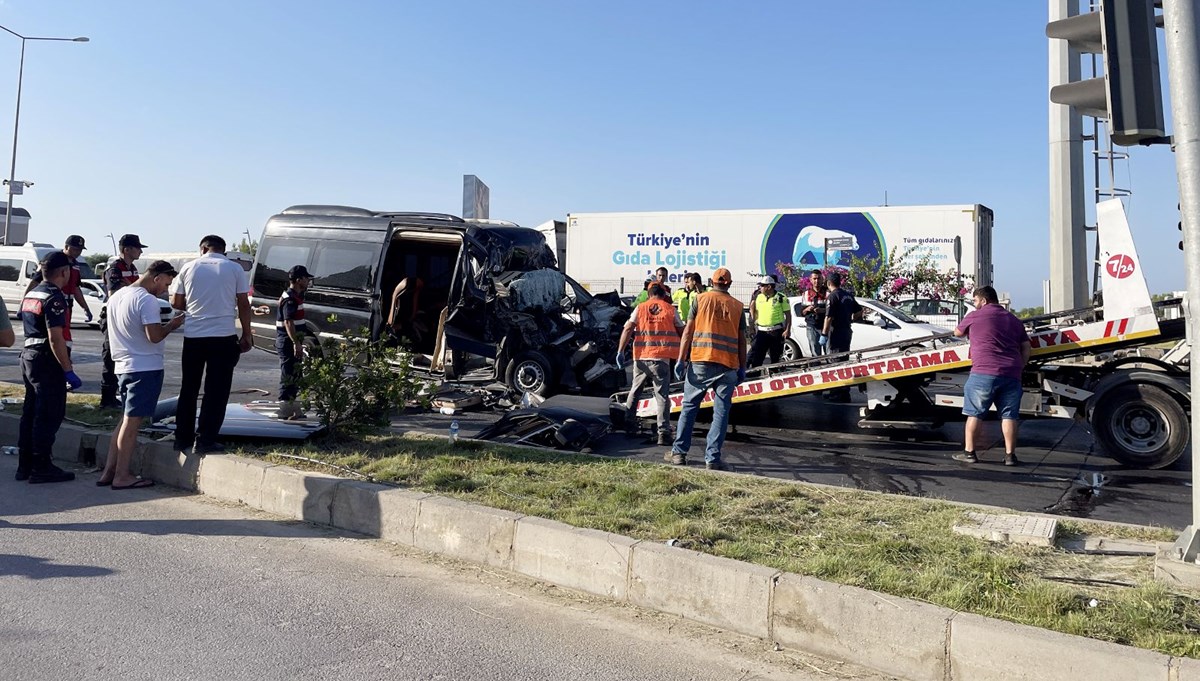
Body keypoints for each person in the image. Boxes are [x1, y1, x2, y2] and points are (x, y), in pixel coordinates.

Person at [98, 261, 184, 489]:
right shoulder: (147, 300)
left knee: (125, 419)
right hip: (144, 367)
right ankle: (122, 476)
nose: (165, 289)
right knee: (132, 423)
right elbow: (154, 336)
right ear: (157, 277)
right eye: (166, 283)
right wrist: (172, 325)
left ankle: (109, 471)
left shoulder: (117, 296)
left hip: (123, 366)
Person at [170, 235, 252, 456]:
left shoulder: (188, 267)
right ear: (222, 250)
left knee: (189, 388)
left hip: (194, 336)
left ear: (203, 248)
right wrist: (247, 333)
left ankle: (182, 438)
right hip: (223, 336)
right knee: (216, 391)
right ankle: (205, 440)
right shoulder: (234, 269)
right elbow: (243, 303)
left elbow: (176, 303)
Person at [668, 267, 747, 471]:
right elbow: (741, 341)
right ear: (729, 284)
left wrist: (681, 359)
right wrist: (742, 367)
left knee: (689, 408)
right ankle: (712, 459)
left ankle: (679, 453)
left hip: (700, 362)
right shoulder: (738, 306)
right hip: (728, 365)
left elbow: (688, 332)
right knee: (721, 413)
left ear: (712, 282)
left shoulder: (700, 300)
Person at [14, 252, 80, 484]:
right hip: (46, 359)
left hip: (29, 357)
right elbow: (55, 338)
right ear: (64, 272)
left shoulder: (32, 293)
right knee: (49, 413)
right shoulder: (54, 297)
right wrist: (68, 369)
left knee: (30, 412)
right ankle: (41, 466)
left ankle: (25, 465)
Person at [951, 286, 1031, 466]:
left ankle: (969, 453)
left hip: (983, 372)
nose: (974, 304)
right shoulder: (1014, 320)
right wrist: (1021, 365)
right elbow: (1026, 346)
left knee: (975, 414)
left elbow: (957, 333)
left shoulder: (974, 316)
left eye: (975, 301)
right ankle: (1010, 456)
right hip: (1011, 373)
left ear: (984, 301)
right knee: (1009, 416)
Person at [616, 283, 684, 446]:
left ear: (649, 293)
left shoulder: (640, 308)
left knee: (635, 390)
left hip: (641, 357)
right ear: (663, 294)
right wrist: (683, 358)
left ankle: (630, 425)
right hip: (662, 358)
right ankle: (663, 432)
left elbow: (627, 329)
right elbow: (683, 332)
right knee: (661, 396)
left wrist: (620, 350)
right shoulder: (670, 309)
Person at [99, 234, 147, 408]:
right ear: (127, 249)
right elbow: (114, 294)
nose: (141, 251)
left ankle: (116, 396)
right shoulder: (114, 268)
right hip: (114, 316)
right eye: (138, 247)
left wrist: (129, 286)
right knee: (110, 357)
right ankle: (107, 399)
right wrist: (130, 287)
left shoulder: (132, 268)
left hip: (126, 315)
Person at [24, 235, 96, 350]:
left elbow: (76, 288)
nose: (78, 252)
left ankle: (64, 355)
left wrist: (85, 308)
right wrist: (25, 302)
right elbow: (34, 282)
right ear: (66, 247)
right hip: (52, 303)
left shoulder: (76, 265)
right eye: (75, 249)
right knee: (55, 334)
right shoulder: (53, 260)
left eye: (80, 250)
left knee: (64, 336)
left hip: (67, 306)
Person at [276, 265, 314, 419]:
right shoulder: (290, 298)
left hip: (291, 341)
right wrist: (295, 343)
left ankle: (294, 410)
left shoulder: (296, 296)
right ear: (299, 280)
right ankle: (284, 410)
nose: (308, 281)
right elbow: (288, 322)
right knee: (288, 375)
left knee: (296, 375)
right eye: (306, 279)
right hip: (287, 341)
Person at [821, 271, 861, 402]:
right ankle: (844, 392)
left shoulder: (833, 296)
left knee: (835, 363)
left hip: (836, 332)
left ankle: (836, 393)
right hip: (846, 331)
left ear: (828, 283)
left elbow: (829, 317)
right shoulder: (848, 295)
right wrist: (852, 319)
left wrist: (824, 334)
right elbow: (859, 310)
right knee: (843, 361)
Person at [746, 275, 791, 368]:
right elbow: (754, 313)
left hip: (776, 331)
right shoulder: (758, 297)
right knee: (757, 356)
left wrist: (787, 329)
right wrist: (752, 324)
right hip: (762, 331)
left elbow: (788, 315)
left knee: (775, 356)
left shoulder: (781, 298)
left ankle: (775, 375)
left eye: (762, 285)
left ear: (769, 287)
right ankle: (756, 375)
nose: (760, 288)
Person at [799, 270, 827, 357]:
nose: (817, 281)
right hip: (811, 326)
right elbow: (802, 312)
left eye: (819, 278)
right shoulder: (806, 294)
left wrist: (822, 310)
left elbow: (833, 310)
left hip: (825, 326)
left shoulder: (828, 293)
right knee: (815, 353)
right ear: (811, 280)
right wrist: (807, 309)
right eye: (814, 279)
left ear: (822, 279)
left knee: (829, 353)